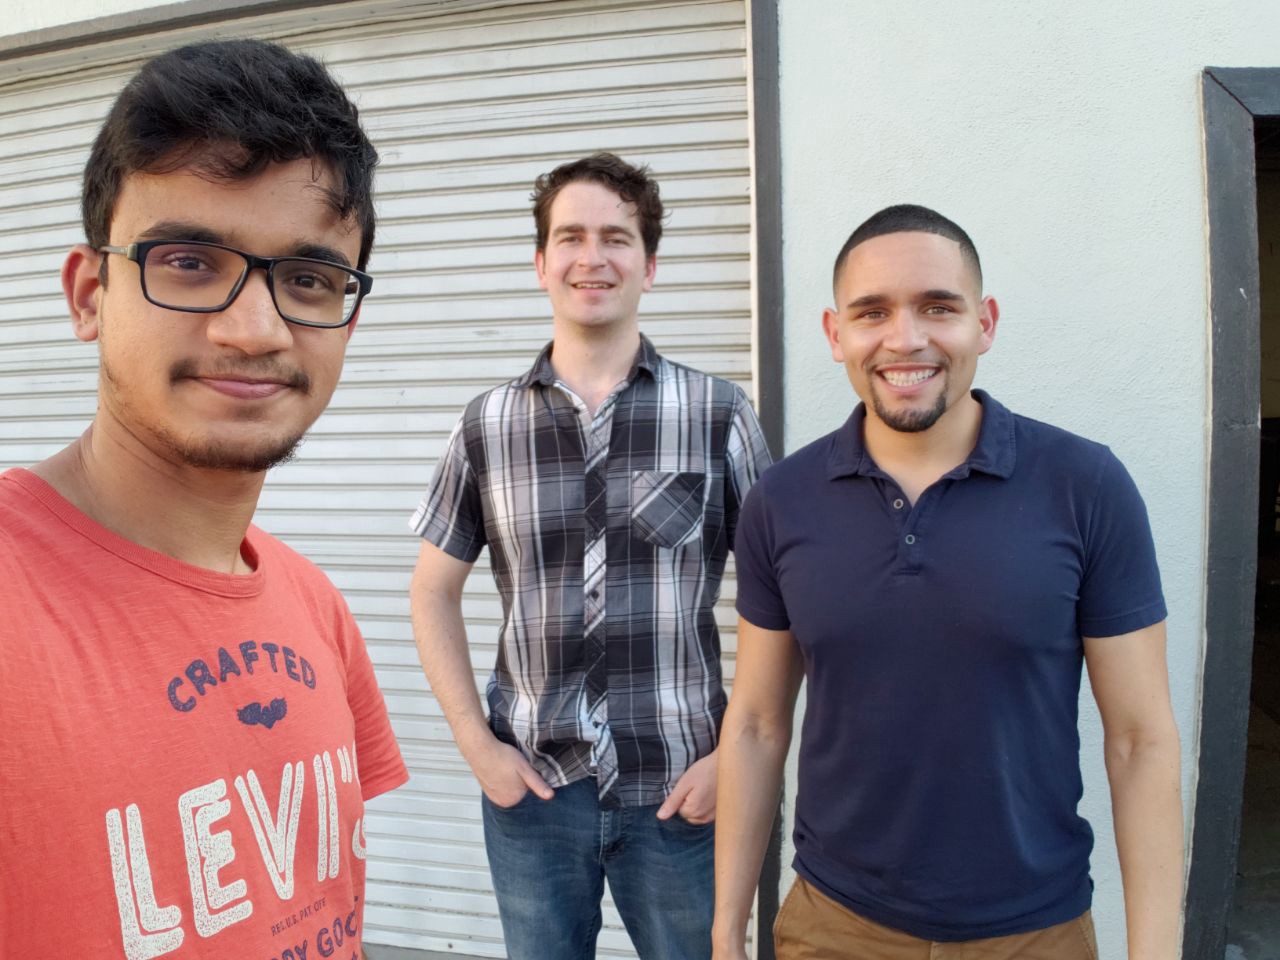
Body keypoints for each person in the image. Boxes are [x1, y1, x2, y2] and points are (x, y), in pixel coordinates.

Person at [0, 39, 408, 959]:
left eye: (308, 279)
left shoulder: (314, 606)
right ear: (89, 294)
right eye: (189, 261)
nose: (254, 330)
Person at [712, 205, 1183, 959]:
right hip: (835, 926)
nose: (905, 338)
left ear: (984, 323)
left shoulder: (1086, 486)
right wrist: (725, 931)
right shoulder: (783, 500)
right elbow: (757, 725)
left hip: (1034, 931)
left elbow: (1139, 742)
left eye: (938, 307)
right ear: (835, 334)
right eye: (872, 312)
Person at [409, 152, 772, 959]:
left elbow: (780, 596)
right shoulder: (485, 425)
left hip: (682, 789)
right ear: (541, 264)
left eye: (617, 237)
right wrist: (477, 745)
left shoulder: (718, 413)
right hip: (535, 793)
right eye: (570, 237)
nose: (592, 257)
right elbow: (432, 591)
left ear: (651, 265)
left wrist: (732, 758)